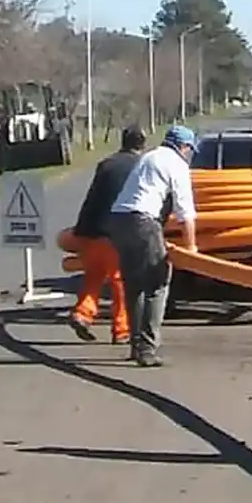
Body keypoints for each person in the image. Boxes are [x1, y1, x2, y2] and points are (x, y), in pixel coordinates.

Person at [105, 124, 199, 368]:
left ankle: (137, 346)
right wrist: (191, 249)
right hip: (142, 221)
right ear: (184, 147)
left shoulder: (149, 157)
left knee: (134, 285)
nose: (190, 155)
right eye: (190, 150)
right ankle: (147, 349)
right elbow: (185, 212)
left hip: (117, 220)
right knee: (158, 282)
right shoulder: (177, 164)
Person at [68, 125, 146, 344]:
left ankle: (82, 314)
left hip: (92, 231)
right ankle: (122, 329)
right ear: (142, 145)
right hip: (117, 233)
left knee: (94, 275)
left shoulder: (106, 165)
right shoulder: (140, 167)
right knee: (120, 281)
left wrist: (80, 230)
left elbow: (92, 198)